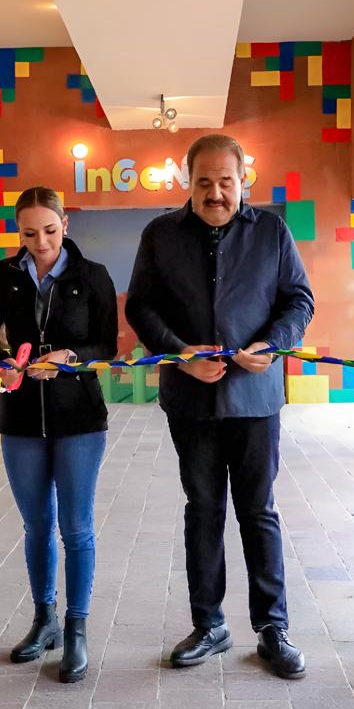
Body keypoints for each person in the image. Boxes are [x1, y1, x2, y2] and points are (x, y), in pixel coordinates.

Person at [126, 134, 314, 678]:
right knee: (203, 511)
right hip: (190, 400)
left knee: (259, 511)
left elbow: (298, 299)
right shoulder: (160, 234)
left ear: (242, 182)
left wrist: (274, 343)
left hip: (255, 399)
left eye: (225, 182)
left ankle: (272, 628)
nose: (215, 193)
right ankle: (208, 624)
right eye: (204, 182)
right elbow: (141, 304)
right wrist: (178, 354)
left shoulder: (272, 231)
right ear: (189, 182)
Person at [0, 186, 117, 682]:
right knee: (36, 526)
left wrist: (70, 358)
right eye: (29, 233)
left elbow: (107, 346)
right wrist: (5, 360)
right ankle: (44, 619)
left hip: (78, 417)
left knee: (75, 528)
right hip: (20, 418)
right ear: (19, 231)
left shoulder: (92, 276)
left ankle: (76, 630)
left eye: (49, 231)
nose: (40, 243)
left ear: (65, 224)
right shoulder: (5, 274)